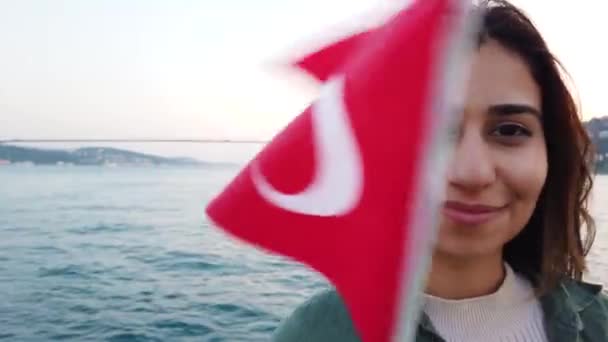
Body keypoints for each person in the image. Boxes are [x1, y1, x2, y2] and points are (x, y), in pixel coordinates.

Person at [271, 1, 608, 341]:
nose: (472, 173)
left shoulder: (598, 321)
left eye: (509, 130)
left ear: (550, 153)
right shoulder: (313, 333)